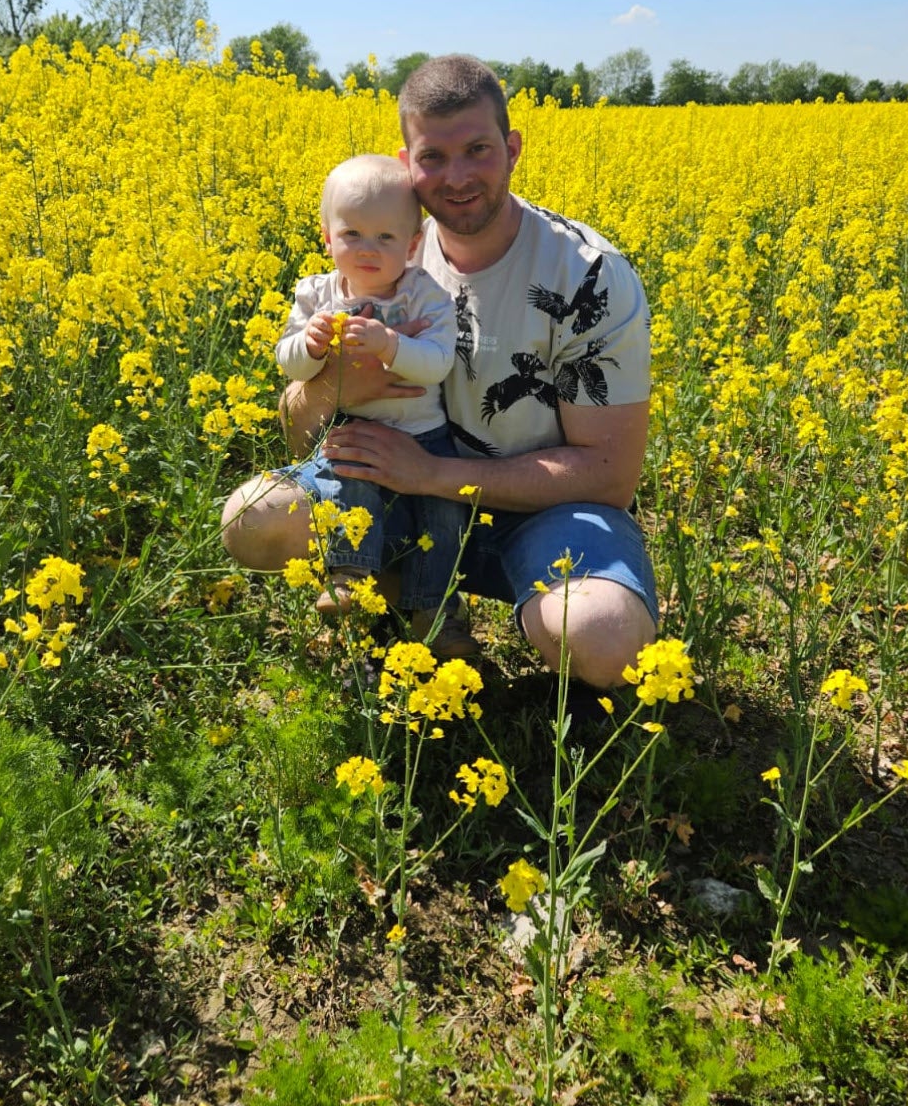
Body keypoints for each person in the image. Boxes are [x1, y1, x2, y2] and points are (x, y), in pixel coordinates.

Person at [221, 54, 658, 690]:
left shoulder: (586, 275)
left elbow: (611, 477)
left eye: (478, 149)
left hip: (541, 511)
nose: (456, 177)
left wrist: (434, 473)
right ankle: (408, 603)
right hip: (393, 496)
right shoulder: (381, 246)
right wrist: (328, 388)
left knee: (602, 638)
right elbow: (297, 429)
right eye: (433, 157)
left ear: (512, 150)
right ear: (407, 165)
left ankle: (513, 609)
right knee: (250, 518)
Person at [269, 155, 464, 629]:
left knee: (443, 519)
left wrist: (390, 344)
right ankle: (349, 575)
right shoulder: (316, 295)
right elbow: (287, 360)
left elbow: (438, 364)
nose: (367, 249)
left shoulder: (425, 295)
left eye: (386, 237)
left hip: (424, 437)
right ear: (327, 235)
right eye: (352, 233)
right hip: (352, 429)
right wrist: (310, 346)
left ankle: (436, 613)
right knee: (348, 489)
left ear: (414, 245)